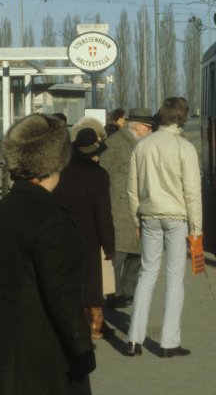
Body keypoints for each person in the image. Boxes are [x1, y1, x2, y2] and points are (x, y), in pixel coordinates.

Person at [0, 114, 96, 395]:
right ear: (55, 162)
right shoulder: (51, 218)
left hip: (9, 337)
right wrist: (81, 345)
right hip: (48, 346)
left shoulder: (5, 209)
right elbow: (61, 291)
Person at [125, 97, 203, 358]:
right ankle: (168, 343)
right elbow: (192, 193)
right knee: (174, 279)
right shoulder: (185, 148)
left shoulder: (142, 146)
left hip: (149, 216)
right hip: (177, 219)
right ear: (182, 118)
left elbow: (132, 189)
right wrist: (196, 229)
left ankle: (134, 339)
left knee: (147, 275)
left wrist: (137, 219)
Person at [53, 128, 116, 340]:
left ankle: (77, 323)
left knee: (71, 279)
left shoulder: (61, 172)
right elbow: (103, 214)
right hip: (90, 235)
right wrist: (109, 244)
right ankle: (95, 323)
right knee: (93, 278)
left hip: (63, 233)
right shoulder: (99, 175)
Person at [98, 107, 154, 308]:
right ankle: (112, 293)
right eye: (148, 127)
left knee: (137, 254)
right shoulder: (114, 144)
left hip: (138, 207)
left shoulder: (142, 143)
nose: (150, 131)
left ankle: (129, 292)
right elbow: (102, 176)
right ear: (138, 126)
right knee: (117, 254)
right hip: (118, 208)